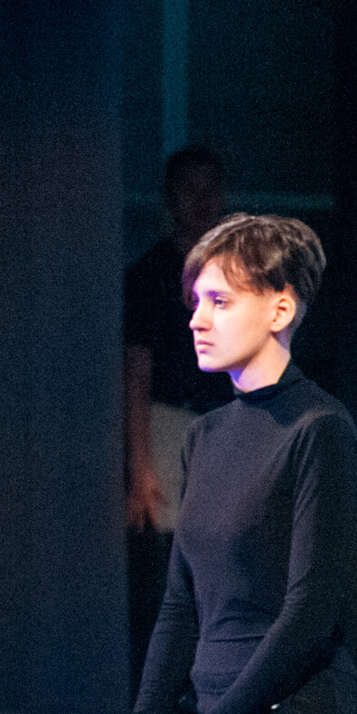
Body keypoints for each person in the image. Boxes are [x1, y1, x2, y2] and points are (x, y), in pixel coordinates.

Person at [134, 213, 357, 714]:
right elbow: (179, 606)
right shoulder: (204, 436)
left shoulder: (320, 431)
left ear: (280, 310)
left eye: (219, 300)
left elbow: (309, 614)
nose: (196, 320)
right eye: (195, 302)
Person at [122, 146, 235, 686]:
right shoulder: (149, 274)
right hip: (170, 421)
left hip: (226, 419)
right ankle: (165, 689)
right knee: (169, 565)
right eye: (190, 190)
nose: (202, 201)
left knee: (229, 555)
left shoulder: (237, 275)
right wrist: (140, 465)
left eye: (211, 188)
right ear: (171, 200)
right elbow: (137, 370)